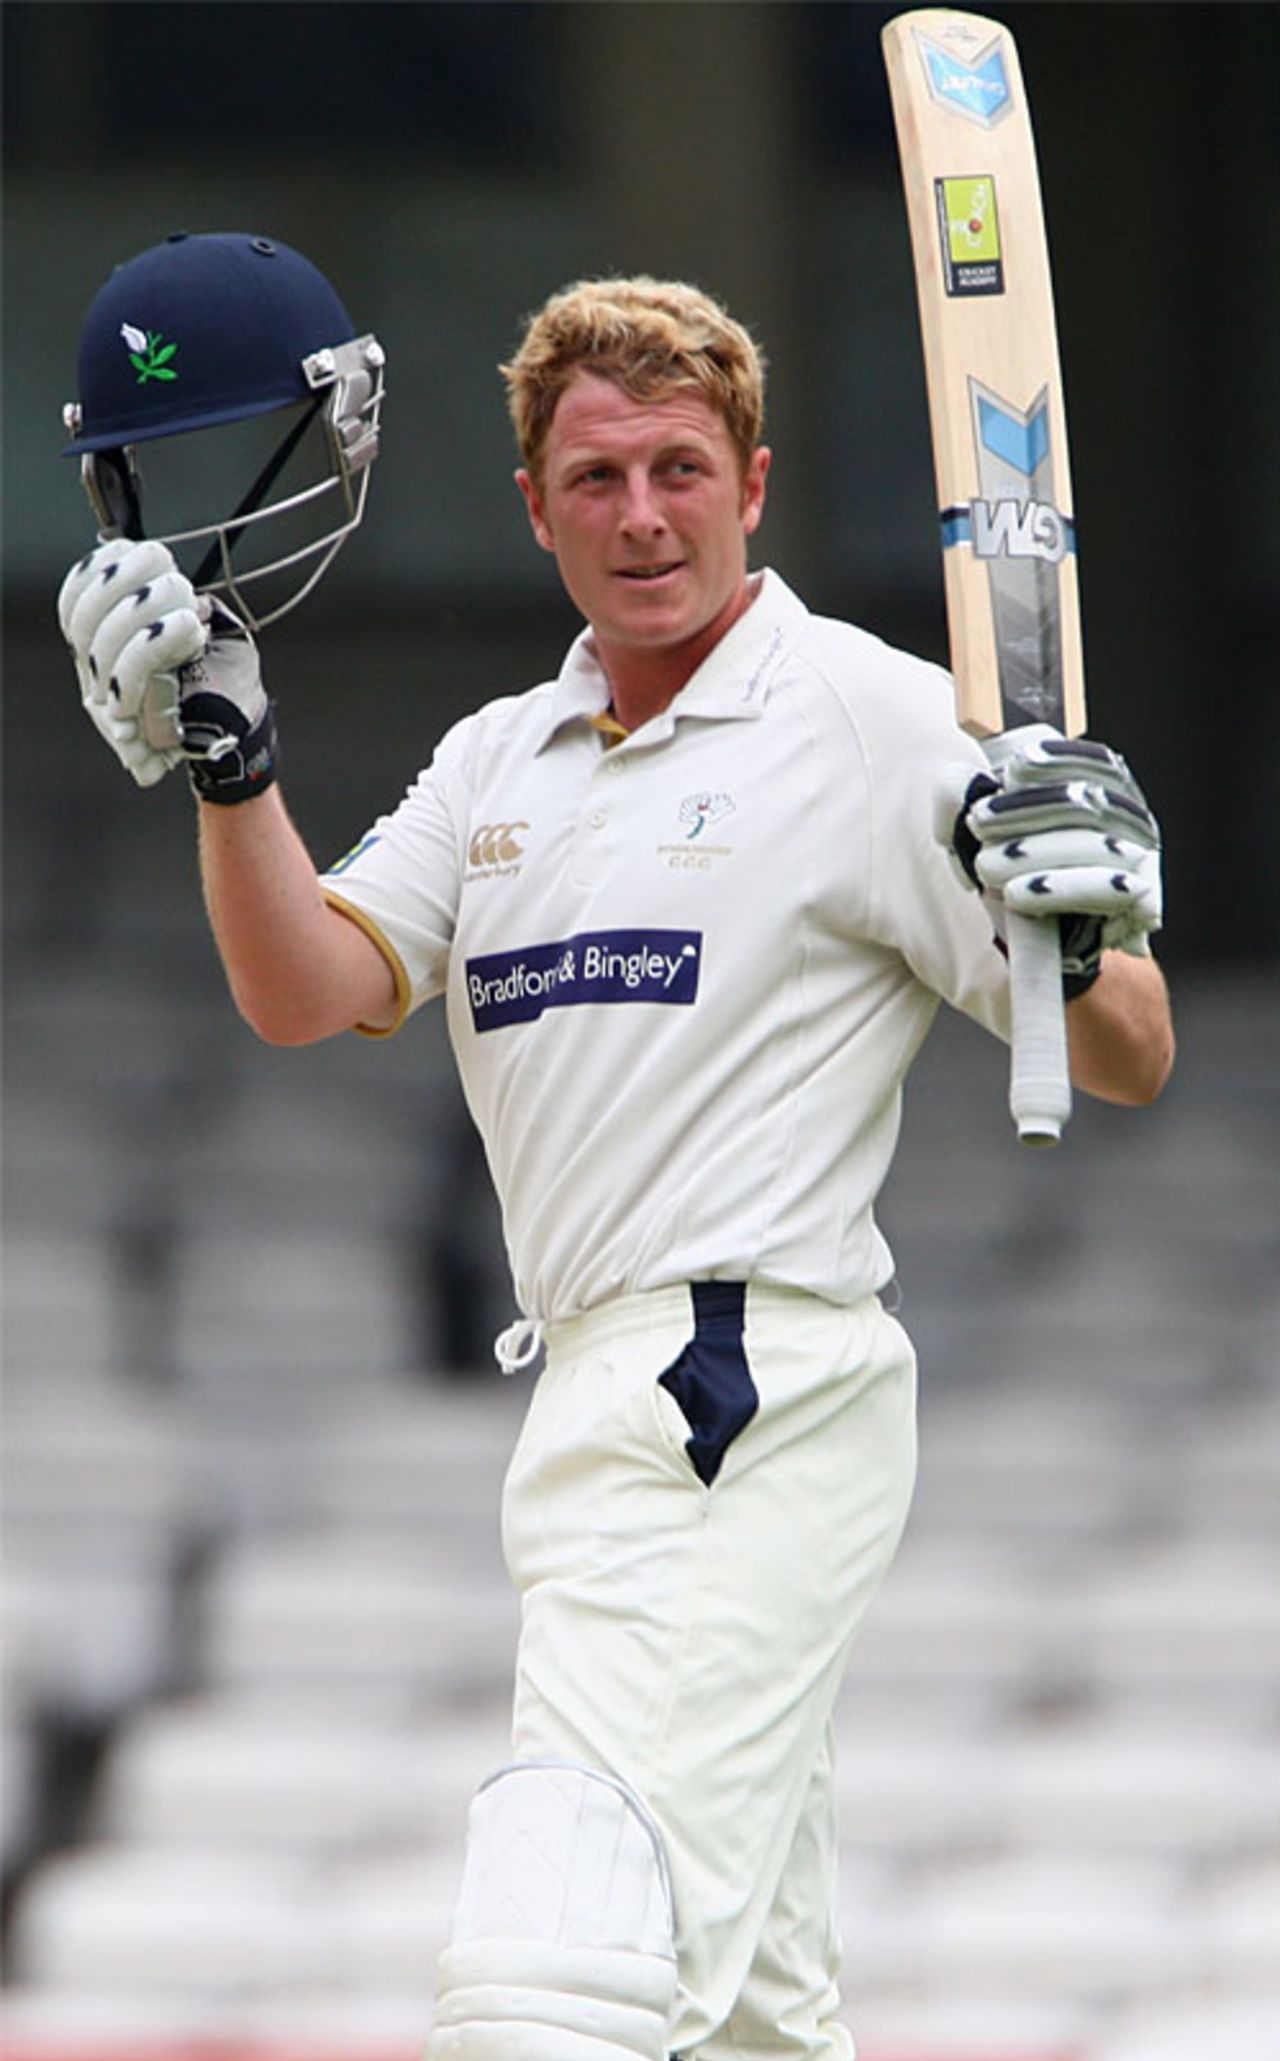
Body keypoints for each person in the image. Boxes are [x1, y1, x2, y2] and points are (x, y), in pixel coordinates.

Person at [58, 253, 1173, 2061]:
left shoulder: (872, 717)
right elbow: (308, 991)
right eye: (597, 480)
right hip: (596, 1390)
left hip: (748, 1384)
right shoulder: (505, 759)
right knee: (746, 2024)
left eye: (678, 470)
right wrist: (234, 771)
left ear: (751, 484)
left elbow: (1126, 1054)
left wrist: (1089, 919)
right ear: (536, 511)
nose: (643, 517)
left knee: (558, 1967)